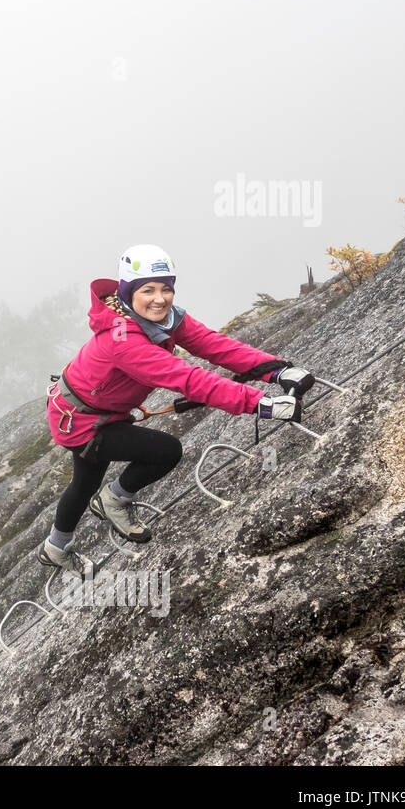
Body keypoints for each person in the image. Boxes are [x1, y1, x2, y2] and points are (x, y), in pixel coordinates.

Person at [40, 244, 314, 577]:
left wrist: (277, 369)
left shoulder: (165, 320)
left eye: (166, 288)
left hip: (97, 410)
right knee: (166, 451)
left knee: (83, 483)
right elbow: (188, 379)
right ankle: (113, 499)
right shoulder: (122, 338)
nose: (160, 298)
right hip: (81, 422)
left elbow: (216, 346)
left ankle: (56, 547)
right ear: (128, 293)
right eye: (148, 290)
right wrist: (263, 404)